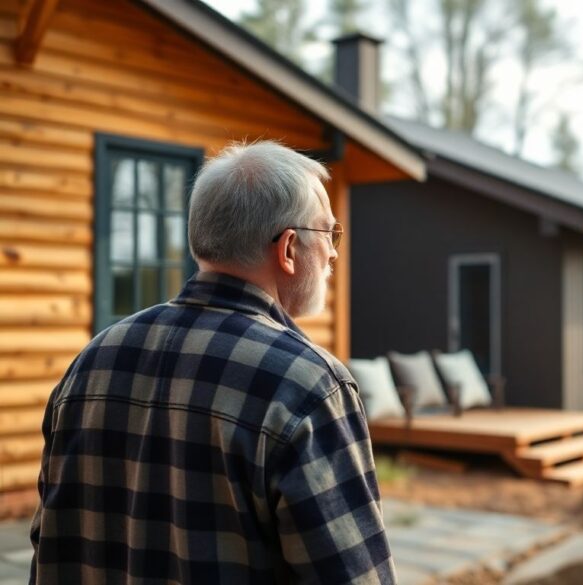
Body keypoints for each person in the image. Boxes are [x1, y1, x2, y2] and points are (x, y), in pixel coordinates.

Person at [30, 142, 395, 584]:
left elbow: (49, 544)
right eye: (329, 234)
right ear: (288, 249)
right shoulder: (309, 385)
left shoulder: (91, 361)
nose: (334, 253)